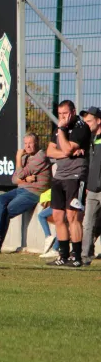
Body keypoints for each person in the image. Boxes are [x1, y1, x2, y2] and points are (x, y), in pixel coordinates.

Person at [0, 133, 52, 253]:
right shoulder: (25, 157)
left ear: (37, 143)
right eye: (25, 143)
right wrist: (26, 179)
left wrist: (18, 158)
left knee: (6, 211)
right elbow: (14, 179)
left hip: (33, 192)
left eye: (30, 143)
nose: (27, 146)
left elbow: (20, 174)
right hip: (21, 189)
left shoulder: (40, 156)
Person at [46, 100, 92, 267]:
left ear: (72, 112)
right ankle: (63, 255)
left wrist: (61, 132)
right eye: (59, 114)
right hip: (59, 175)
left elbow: (65, 148)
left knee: (73, 216)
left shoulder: (81, 127)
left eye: (65, 114)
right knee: (58, 216)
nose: (62, 117)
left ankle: (77, 256)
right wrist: (67, 153)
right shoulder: (60, 128)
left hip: (75, 175)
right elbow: (50, 151)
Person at [79, 106, 101, 265]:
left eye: (89, 121)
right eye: (85, 122)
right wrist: (88, 184)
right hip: (93, 189)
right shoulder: (91, 139)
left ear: (99, 121)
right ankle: (84, 256)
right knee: (88, 224)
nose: (87, 124)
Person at [37, 188, 60, 259]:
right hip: (59, 201)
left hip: (62, 203)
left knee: (61, 226)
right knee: (41, 215)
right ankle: (50, 239)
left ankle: (55, 248)